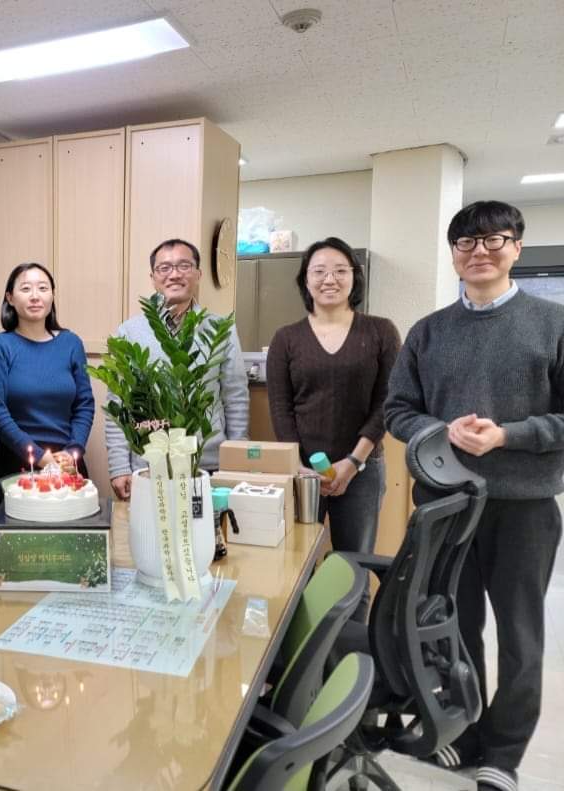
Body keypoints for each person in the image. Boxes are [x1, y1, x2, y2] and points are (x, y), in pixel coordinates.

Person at [385, 201, 564, 791]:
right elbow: (397, 410)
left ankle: (504, 753)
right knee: (448, 626)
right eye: (466, 242)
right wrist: (442, 430)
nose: (479, 251)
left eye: (494, 240)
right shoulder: (428, 331)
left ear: (516, 248)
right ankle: (461, 732)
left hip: (524, 507)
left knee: (520, 636)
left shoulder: (553, 323)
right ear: (453, 254)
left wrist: (508, 435)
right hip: (446, 505)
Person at [266, 237, 400, 618]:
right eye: (319, 271)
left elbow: (387, 402)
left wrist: (353, 462)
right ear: (305, 280)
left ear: (355, 278)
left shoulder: (380, 332)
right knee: (296, 567)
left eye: (341, 270)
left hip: (362, 469)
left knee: (352, 570)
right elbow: (281, 410)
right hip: (302, 473)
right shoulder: (286, 338)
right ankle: (302, 648)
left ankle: (351, 649)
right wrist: (298, 467)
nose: (330, 279)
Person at [105, 238, 250, 498]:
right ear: (153, 278)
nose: (174, 274)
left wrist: (236, 459)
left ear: (198, 274)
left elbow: (235, 397)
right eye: (164, 268)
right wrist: (119, 467)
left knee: (207, 525)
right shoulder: (129, 332)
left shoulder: (221, 330)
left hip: (207, 464)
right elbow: (119, 403)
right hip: (149, 465)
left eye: (184, 266)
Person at [0, 262, 95, 491]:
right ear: (10, 298)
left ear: (52, 296)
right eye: (25, 289)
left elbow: (84, 404)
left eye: (43, 288)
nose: (35, 296)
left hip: (67, 461)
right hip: (18, 460)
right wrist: (40, 456)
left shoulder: (71, 343)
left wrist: (73, 450)